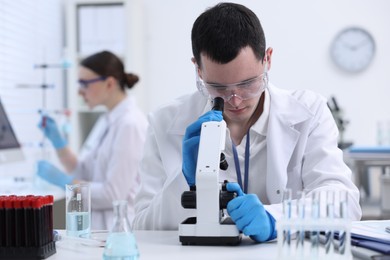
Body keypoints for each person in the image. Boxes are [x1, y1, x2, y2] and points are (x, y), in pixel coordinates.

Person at [133, 3, 362, 242]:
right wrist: (185, 183)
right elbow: (141, 225)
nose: (235, 100)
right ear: (198, 70)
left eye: (247, 83)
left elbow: (343, 202)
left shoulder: (308, 112)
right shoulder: (165, 122)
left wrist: (276, 219)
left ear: (267, 59)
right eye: (219, 87)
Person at [37, 50, 148, 230]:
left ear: (110, 83)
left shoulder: (130, 125)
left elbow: (112, 195)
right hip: (100, 229)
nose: (80, 92)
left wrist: (64, 182)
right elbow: (84, 173)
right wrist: (59, 143)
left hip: (118, 231)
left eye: (84, 84)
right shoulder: (107, 119)